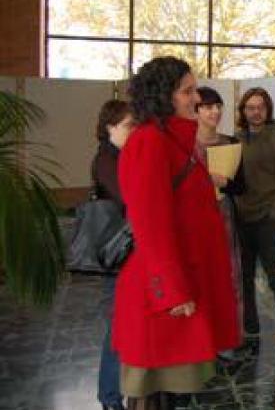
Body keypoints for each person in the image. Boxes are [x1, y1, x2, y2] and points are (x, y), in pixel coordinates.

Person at [115, 56, 239, 409]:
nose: (196, 98)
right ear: (163, 95)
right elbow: (150, 225)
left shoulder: (174, 140)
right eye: (187, 91)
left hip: (182, 284)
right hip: (162, 294)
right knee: (151, 393)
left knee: (171, 391)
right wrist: (171, 290)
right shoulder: (149, 142)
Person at [234, 87, 275, 343]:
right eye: (250, 108)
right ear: (243, 111)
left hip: (269, 219)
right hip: (241, 217)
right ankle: (250, 327)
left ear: (268, 110)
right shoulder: (236, 139)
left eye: (260, 107)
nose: (255, 112)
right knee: (243, 275)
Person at [194, 86, 247, 366]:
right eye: (207, 107)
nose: (214, 112)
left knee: (228, 279)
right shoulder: (185, 144)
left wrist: (224, 183)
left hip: (224, 218)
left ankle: (226, 340)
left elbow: (242, 186)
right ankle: (200, 341)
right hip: (195, 221)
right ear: (196, 111)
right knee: (200, 281)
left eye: (218, 106)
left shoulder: (229, 142)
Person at [93, 99, 134, 410]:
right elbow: (127, 198)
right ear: (109, 128)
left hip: (128, 252)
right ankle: (109, 396)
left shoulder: (122, 156)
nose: (132, 131)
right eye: (127, 126)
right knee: (118, 326)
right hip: (118, 254)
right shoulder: (107, 160)